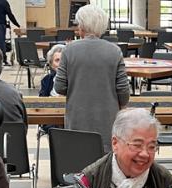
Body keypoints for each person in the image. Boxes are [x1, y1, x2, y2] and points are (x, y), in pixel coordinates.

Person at [55, 4, 130, 152]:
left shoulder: (69, 50)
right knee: (106, 168)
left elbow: (60, 87)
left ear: (81, 26)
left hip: (77, 121)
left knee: (80, 165)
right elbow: (123, 92)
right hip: (108, 121)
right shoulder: (115, 51)